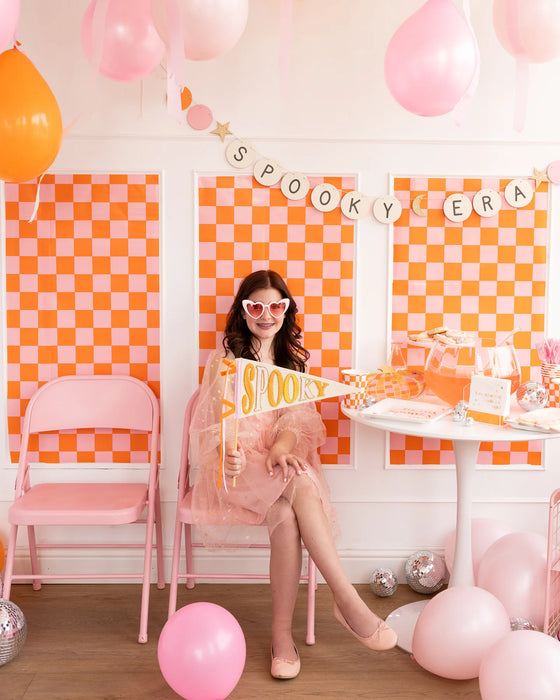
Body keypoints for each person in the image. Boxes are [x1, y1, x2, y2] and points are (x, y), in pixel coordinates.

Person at [189, 269, 397, 680]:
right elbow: (214, 425)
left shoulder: (292, 364)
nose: (266, 315)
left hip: (274, 466)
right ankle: (346, 599)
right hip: (235, 472)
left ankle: (281, 638)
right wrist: (229, 454)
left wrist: (281, 450)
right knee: (300, 483)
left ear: (286, 311)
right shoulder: (225, 363)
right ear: (243, 312)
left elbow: (295, 420)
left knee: (285, 517)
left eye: (276, 306)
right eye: (256, 306)